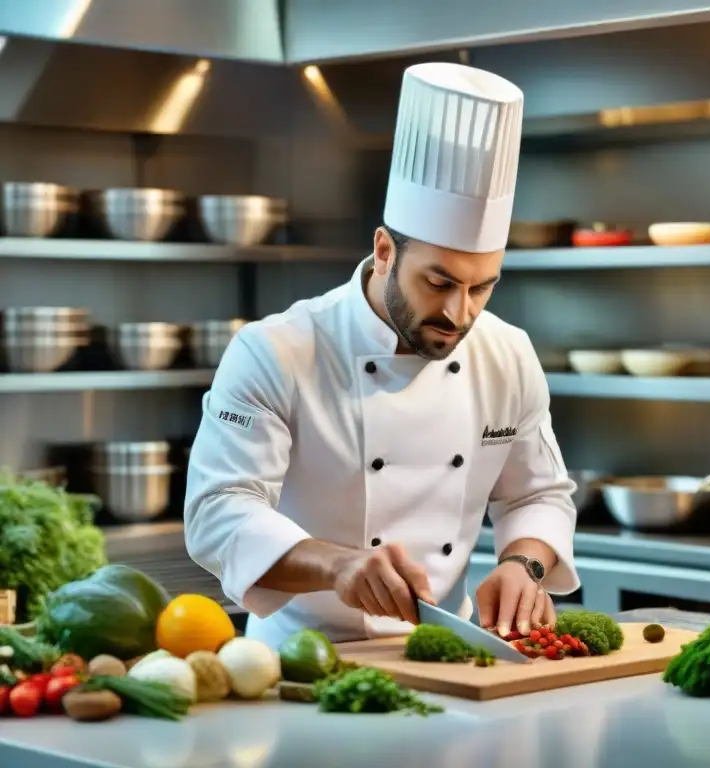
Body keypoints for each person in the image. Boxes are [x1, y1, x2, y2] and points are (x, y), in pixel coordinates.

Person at [183, 61, 580, 649]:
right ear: (385, 250)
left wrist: (525, 567)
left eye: (482, 286)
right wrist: (338, 566)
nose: (460, 313)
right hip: (303, 663)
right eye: (439, 283)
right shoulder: (276, 350)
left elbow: (538, 494)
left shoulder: (508, 353)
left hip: (448, 654)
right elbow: (219, 511)